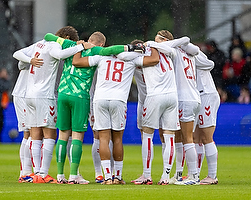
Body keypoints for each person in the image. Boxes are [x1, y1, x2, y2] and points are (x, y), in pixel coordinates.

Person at [45, 31, 146, 184]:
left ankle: (66, 175)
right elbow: (110, 51)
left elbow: (50, 38)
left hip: (66, 92)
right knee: (112, 138)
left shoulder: (71, 45)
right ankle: (81, 176)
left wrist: (79, 47)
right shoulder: (100, 52)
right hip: (84, 96)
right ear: (101, 44)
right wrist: (132, 48)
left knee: (65, 136)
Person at [13, 26, 94, 184]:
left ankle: (35, 173)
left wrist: (29, 60)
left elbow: (16, 53)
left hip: (29, 95)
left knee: (34, 134)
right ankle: (43, 173)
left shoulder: (39, 44)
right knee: (49, 134)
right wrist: (81, 46)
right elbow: (60, 54)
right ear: (66, 38)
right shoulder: (55, 45)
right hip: (44, 95)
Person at [72, 39, 158, 185]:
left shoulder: (102, 57)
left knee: (103, 139)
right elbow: (154, 60)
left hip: (100, 100)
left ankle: (106, 177)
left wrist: (79, 47)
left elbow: (77, 62)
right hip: (118, 100)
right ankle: (117, 177)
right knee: (117, 139)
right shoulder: (132, 59)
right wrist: (154, 46)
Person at [130, 33, 189, 185]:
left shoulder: (144, 55)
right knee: (170, 137)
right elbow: (181, 41)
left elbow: (132, 59)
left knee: (148, 135)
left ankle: (147, 175)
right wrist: (154, 44)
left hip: (155, 95)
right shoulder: (169, 52)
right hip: (172, 96)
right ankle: (165, 176)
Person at [162, 33, 201, 185]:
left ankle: (194, 176)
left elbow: (166, 46)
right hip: (194, 97)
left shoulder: (175, 51)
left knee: (187, 139)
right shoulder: (189, 54)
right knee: (183, 138)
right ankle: (181, 174)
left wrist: (170, 42)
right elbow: (195, 49)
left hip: (184, 99)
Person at [193, 50, 220, 185]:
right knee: (195, 137)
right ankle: (195, 174)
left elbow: (210, 64)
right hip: (197, 96)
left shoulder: (193, 52)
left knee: (206, 137)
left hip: (206, 95)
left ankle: (212, 175)